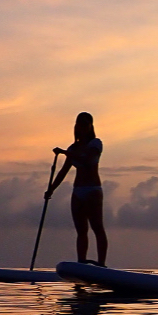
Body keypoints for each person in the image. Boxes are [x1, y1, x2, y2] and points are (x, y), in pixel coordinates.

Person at [46, 112, 108, 267]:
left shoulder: (96, 144)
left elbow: (88, 160)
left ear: (90, 127)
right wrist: (51, 189)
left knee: (97, 227)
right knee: (81, 231)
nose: (82, 128)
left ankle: (101, 264)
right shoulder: (73, 148)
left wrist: (65, 152)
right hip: (78, 191)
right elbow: (63, 171)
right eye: (80, 125)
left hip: (93, 190)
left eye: (85, 125)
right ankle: (81, 263)